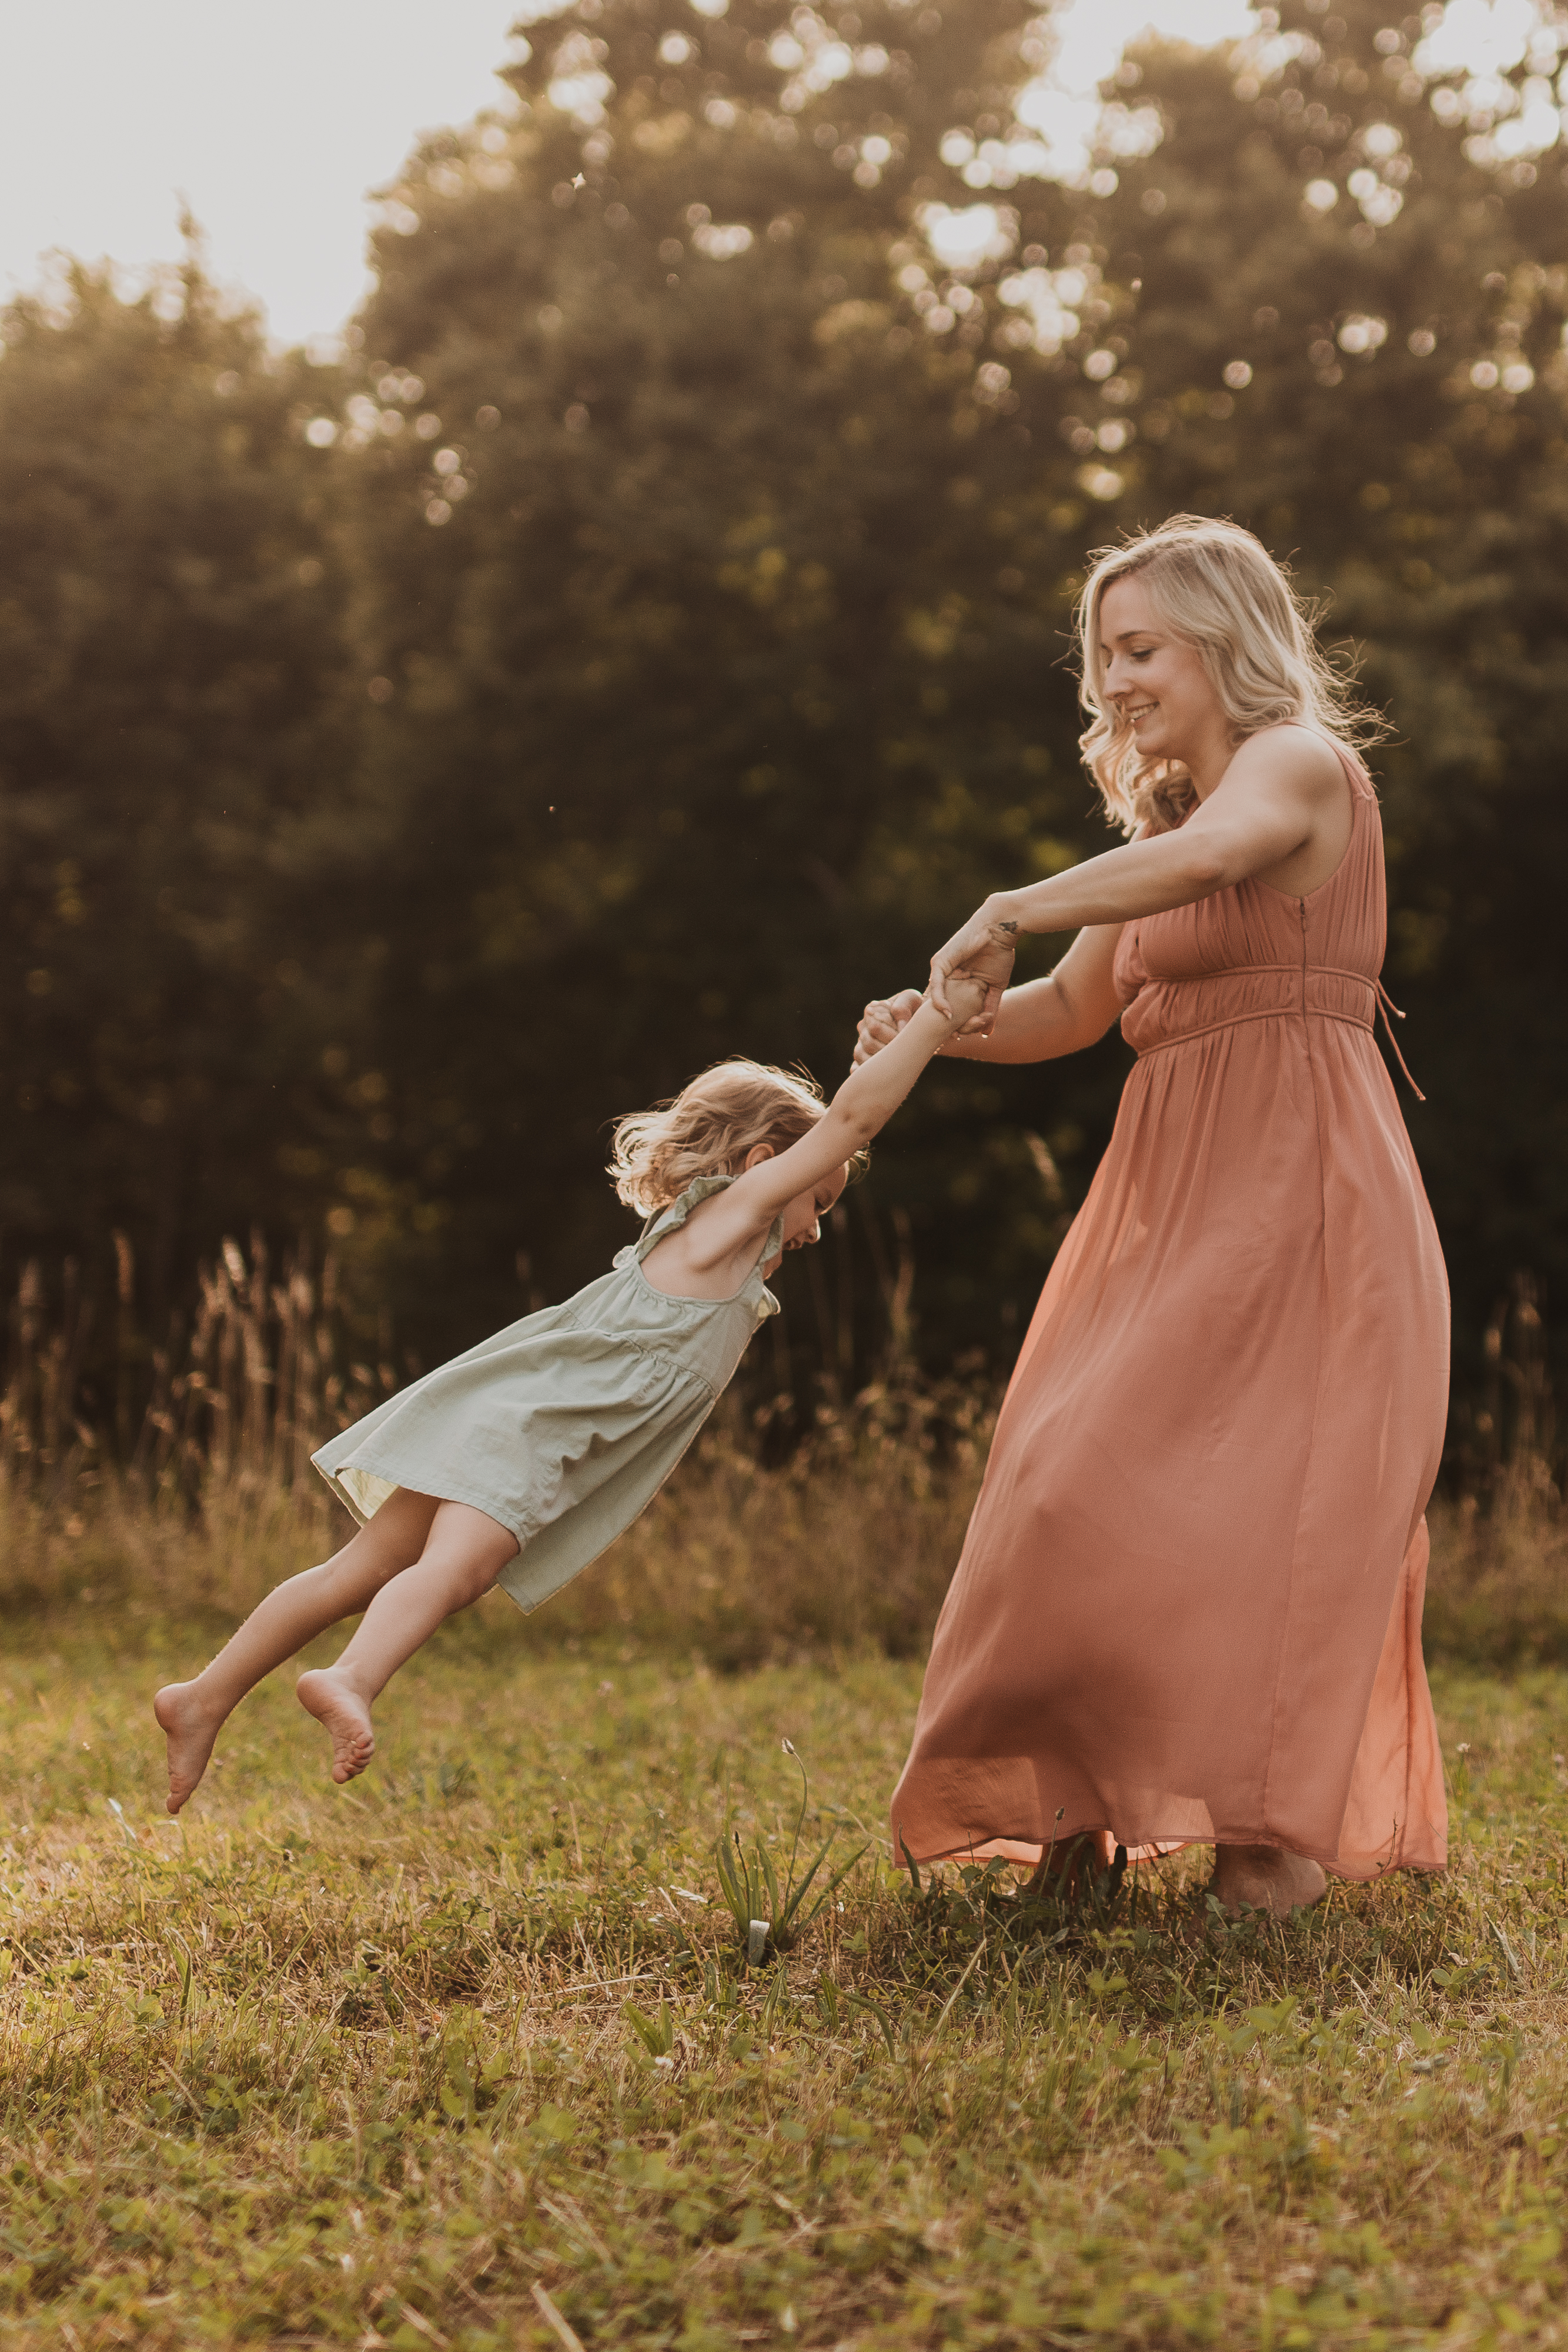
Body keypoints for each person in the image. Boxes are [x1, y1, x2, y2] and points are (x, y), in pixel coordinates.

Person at [856, 514, 1449, 1917]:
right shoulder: (1155, 826)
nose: (1110, 679)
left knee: (1253, 1519)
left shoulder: (1296, 765)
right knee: (1068, 1486)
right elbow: (1071, 1009)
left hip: (1302, 1191)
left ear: (1220, 640)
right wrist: (938, 1028)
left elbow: (1214, 864)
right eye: (1097, 654)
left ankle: (1267, 1849)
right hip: (1164, 1205)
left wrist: (1003, 900)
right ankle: (1079, 1822)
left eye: (1138, 647)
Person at [155, 965, 1003, 1812]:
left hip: (509, 1410)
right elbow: (853, 1116)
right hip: (531, 1429)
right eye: (818, 1198)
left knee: (361, 1567)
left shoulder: (702, 1246)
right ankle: (351, 1677)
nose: (816, 1227)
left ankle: (202, 1697)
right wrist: (934, 1024)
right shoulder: (727, 1223)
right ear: (762, 1164)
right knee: (459, 1570)